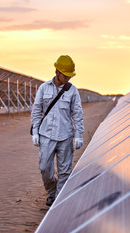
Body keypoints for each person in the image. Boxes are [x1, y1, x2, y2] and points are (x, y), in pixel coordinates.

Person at [31, 55, 84, 206]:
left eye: (69, 76)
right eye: (65, 75)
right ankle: (52, 192)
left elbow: (77, 113)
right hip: (46, 135)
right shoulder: (43, 88)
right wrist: (35, 131)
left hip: (65, 136)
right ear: (57, 71)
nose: (67, 78)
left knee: (64, 172)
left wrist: (79, 134)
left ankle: (58, 201)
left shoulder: (72, 91)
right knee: (45, 168)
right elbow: (36, 110)